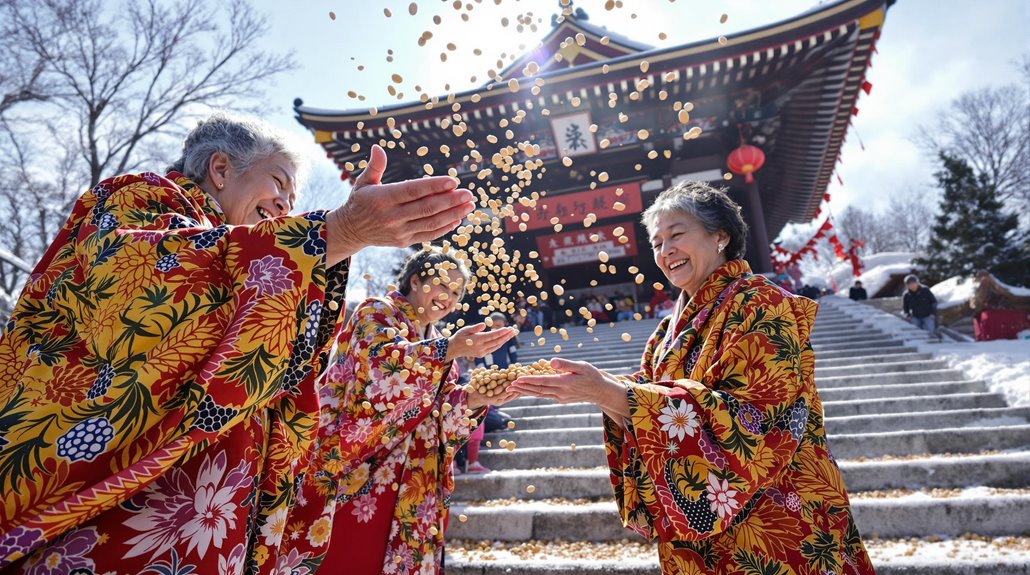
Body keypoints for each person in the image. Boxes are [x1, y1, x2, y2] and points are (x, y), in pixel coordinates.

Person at [0, 113, 476, 572]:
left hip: (221, 506)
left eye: (294, 195)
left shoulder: (262, 251)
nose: (287, 204)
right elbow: (137, 293)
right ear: (222, 169)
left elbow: (291, 383)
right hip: (120, 501)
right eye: (278, 182)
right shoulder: (140, 199)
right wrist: (337, 233)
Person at [511, 181, 875, 574]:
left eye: (677, 235)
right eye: (656, 243)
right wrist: (599, 394)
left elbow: (755, 419)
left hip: (778, 520)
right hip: (697, 534)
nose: (665, 251)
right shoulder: (664, 334)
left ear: (721, 236)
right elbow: (646, 422)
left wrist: (612, 393)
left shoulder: (761, 304)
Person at [302, 247, 520, 574]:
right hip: (363, 474)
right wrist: (449, 349)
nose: (449, 298)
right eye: (444, 285)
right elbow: (378, 379)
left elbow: (442, 415)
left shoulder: (436, 340)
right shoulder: (375, 312)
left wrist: (477, 397)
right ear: (415, 281)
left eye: (457, 292)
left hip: (416, 482)